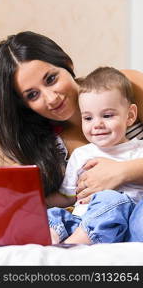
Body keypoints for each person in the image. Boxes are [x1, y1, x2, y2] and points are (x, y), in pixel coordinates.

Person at [0, 31, 143, 238]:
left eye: (51, 79)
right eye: (33, 95)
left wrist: (124, 171)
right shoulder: (47, 147)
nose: (51, 98)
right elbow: (59, 200)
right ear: (24, 105)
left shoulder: (122, 87)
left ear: (67, 63)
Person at [48, 66, 143, 244]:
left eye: (107, 115)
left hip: (120, 220)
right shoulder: (81, 154)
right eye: (88, 118)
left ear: (130, 116)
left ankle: (73, 245)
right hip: (81, 217)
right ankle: (51, 240)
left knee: (111, 199)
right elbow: (67, 197)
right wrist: (34, 199)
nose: (97, 124)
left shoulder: (138, 150)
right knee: (53, 215)